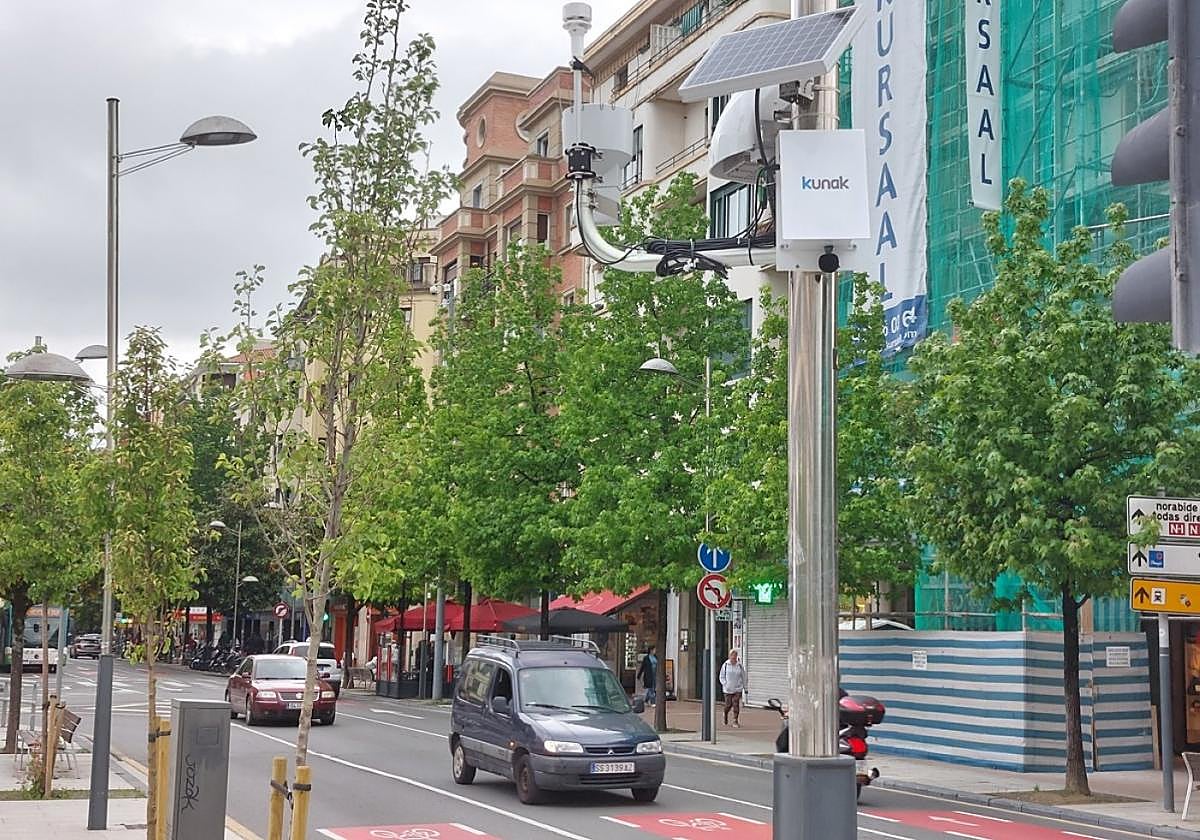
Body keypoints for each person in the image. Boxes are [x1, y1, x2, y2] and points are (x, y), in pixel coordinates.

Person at [720, 649, 747, 727]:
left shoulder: (739, 666)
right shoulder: (725, 665)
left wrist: (745, 687)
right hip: (728, 689)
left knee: (735, 703)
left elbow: (744, 676)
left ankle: (735, 720)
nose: (734, 657)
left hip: (737, 688)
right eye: (732, 655)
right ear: (729, 656)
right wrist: (725, 684)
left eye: (735, 655)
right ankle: (725, 713)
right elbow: (721, 676)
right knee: (728, 704)